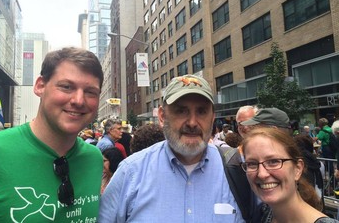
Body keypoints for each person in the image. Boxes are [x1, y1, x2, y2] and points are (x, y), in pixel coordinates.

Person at [99, 74, 261, 222]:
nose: (192, 122)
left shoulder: (241, 168)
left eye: (201, 111)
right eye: (181, 111)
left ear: (212, 118)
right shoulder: (131, 172)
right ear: (162, 116)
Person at [0, 47, 104, 222]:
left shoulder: (94, 158)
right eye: (66, 87)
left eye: (90, 92)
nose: (79, 100)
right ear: (40, 86)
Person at [241, 127, 337, 223]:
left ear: (298, 169)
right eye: (252, 164)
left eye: (273, 161)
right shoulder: (262, 214)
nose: (262, 174)